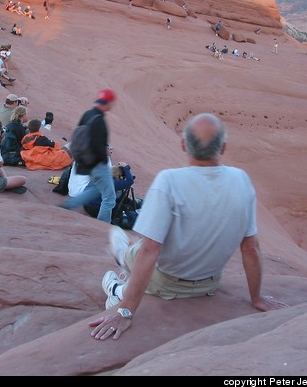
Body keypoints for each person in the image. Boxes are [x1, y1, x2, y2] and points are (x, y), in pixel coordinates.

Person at [89, 113, 288, 341]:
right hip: (209, 283)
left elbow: (150, 252)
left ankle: (117, 285)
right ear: (223, 148)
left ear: (184, 145)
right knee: (148, 242)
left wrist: (125, 310)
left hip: (167, 283)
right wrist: (257, 298)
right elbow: (251, 248)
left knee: (134, 251)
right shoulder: (241, 179)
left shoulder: (169, 181)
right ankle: (125, 256)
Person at [59, 89, 118, 223]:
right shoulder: (99, 121)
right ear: (107, 103)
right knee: (109, 198)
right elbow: (98, 146)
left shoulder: (87, 114)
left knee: (95, 188)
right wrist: (105, 157)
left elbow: (78, 136)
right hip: (97, 163)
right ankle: (103, 225)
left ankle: (69, 204)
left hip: (84, 161)